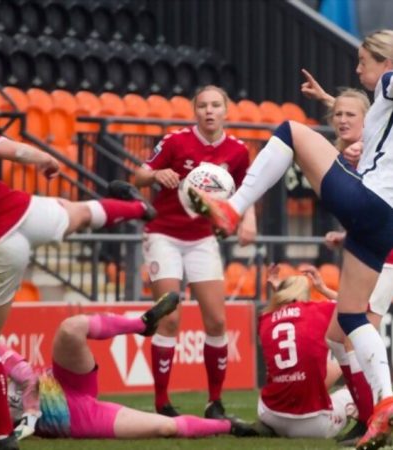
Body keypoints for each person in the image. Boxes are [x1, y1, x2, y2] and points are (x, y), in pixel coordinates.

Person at [188, 30, 393, 450]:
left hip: (370, 200)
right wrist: (329, 102)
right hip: (383, 222)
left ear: (384, 61)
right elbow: (366, 119)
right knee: (352, 318)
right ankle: (386, 400)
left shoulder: (390, 81)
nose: (357, 69)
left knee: (290, 132)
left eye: (363, 62)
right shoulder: (379, 107)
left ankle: (235, 205)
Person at [0, 110, 158, 450]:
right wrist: (43, 157)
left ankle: (2, 435)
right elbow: (15, 151)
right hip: (22, 211)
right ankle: (136, 210)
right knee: (79, 213)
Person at [0, 292, 254, 442]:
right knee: (164, 427)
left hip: (61, 382)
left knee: (70, 328)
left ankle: (140, 324)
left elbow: (27, 377)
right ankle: (230, 426)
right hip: (72, 418)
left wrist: (31, 415)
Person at [134, 85, 257, 419]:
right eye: (203, 105)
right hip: (163, 234)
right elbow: (138, 174)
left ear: (226, 110)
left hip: (203, 238)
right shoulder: (175, 141)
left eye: (216, 105)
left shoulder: (237, 150)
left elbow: (249, 187)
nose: (209, 111)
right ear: (195, 111)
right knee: (170, 318)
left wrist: (249, 219)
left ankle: (214, 402)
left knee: (217, 320)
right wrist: (156, 173)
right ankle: (162, 402)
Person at [302, 72, 393, 444]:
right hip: (374, 250)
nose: (341, 120)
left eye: (348, 115)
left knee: (354, 333)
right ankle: (369, 414)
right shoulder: (350, 157)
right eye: (336, 114)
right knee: (338, 338)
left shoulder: (376, 148)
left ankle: (378, 414)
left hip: (387, 258)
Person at [256, 265, 356, 439]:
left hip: (270, 414)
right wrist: (323, 288)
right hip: (313, 425)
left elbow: (285, 312)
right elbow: (354, 306)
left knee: (305, 363)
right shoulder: (317, 310)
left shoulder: (264, 319)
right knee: (351, 391)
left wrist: (280, 290)